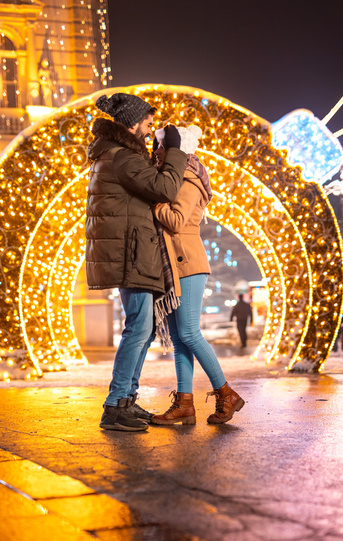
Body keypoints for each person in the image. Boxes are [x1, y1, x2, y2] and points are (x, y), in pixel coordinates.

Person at [85, 92, 187, 431]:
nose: (150, 126)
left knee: (141, 332)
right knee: (138, 329)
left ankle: (126, 399)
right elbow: (167, 188)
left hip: (133, 250)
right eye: (146, 120)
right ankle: (115, 404)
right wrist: (176, 150)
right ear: (131, 123)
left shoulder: (117, 155)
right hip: (133, 252)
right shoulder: (123, 158)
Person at [150, 125, 245, 426]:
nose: (157, 153)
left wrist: (154, 205)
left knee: (190, 333)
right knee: (179, 340)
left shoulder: (188, 180)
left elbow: (176, 220)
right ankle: (185, 403)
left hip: (188, 263)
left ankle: (226, 393)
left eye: (162, 149)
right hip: (179, 265)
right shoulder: (174, 178)